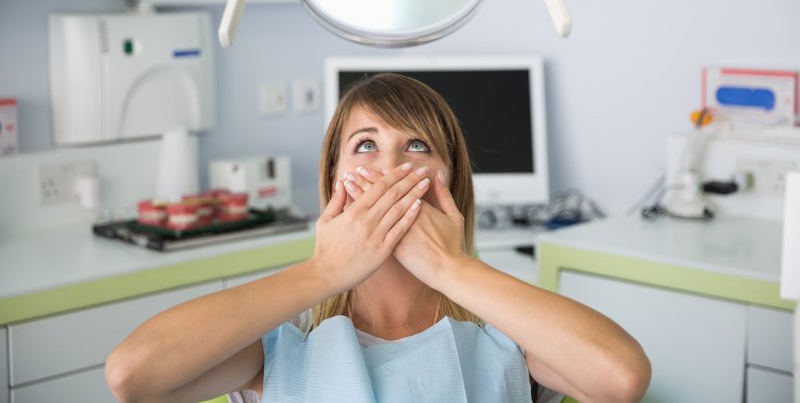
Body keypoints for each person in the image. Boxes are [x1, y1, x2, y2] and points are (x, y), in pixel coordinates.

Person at [105, 73, 651, 403]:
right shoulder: (281, 345)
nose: (389, 166)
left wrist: (451, 267)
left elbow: (621, 379)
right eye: (365, 145)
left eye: (417, 146)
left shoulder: (504, 338)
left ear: (450, 183)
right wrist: (324, 272)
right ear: (331, 181)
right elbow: (132, 375)